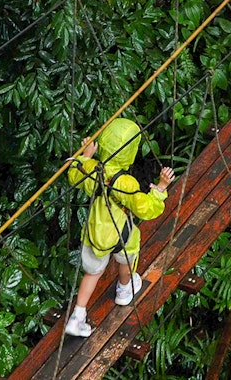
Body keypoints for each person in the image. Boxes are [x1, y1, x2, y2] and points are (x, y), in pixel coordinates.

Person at [63, 118, 176, 338]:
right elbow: (145, 209)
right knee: (127, 255)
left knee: (92, 272)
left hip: (96, 229)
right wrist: (160, 189)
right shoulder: (127, 183)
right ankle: (124, 289)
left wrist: (85, 157)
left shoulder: (92, 168)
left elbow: (74, 176)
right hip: (120, 231)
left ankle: (77, 316)